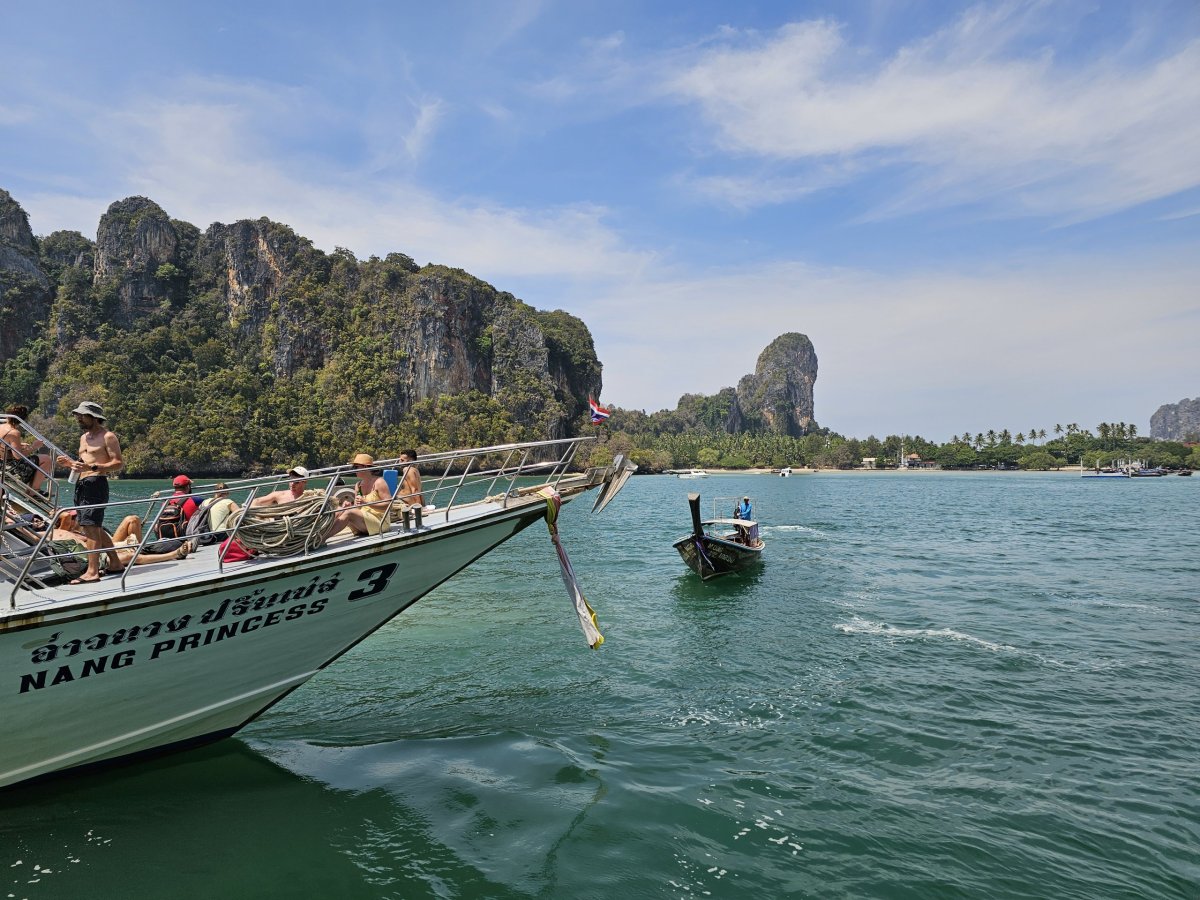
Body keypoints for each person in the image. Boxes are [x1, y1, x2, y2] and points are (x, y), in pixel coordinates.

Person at [67, 401, 123, 581]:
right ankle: (114, 562)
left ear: (93, 417)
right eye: (78, 415)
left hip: (96, 483)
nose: (79, 418)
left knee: (91, 528)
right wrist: (69, 464)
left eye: (82, 415)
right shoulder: (83, 437)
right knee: (92, 527)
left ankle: (92, 572)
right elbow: (83, 461)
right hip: (81, 484)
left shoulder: (108, 437)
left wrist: (93, 467)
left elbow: (118, 463)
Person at [51, 509, 187, 582]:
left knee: (132, 519)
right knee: (130, 556)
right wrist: (61, 514)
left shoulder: (81, 529)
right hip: (102, 550)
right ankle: (173, 554)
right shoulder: (64, 531)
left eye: (78, 516)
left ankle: (139, 548)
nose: (78, 519)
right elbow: (65, 517)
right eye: (75, 518)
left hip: (110, 544)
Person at [328, 453, 394, 537]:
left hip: (380, 521)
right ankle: (317, 536)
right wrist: (349, 506)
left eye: (356, 467)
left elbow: (389, 505)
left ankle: (322, 539)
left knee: (349, 513)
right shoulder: (358, 485)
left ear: (365, 467)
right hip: (364, 520)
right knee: (339, 510)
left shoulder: (379, 482)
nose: (354, 470)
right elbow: (358, 507)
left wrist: (366, 503)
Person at [0, 404, 51, 493]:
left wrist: (20, 445)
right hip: (10, 469)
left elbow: (4, 445)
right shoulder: (14, 432)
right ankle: (33, 491)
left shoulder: (1, 427)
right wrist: (33, 446)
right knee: (46, 459)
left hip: (1, 465)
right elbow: (18, 456)